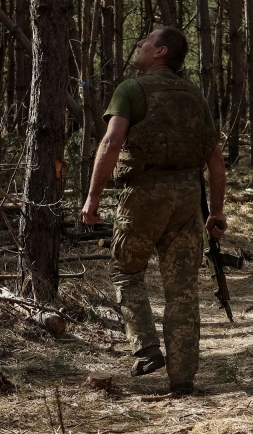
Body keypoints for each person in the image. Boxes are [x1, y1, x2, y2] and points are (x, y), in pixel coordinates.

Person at [81, 26, 226, 395]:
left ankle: (145, 348)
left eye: (145, 42)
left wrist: (93, 197)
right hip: (187, 199)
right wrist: (216, 212)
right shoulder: (196, 96)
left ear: (160, 52)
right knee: (182, 290)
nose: (139, 46)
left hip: (144, 196)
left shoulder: (132, 89)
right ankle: (183, 378)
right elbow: (214, 157)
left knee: (126, 271)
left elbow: (112, 141)